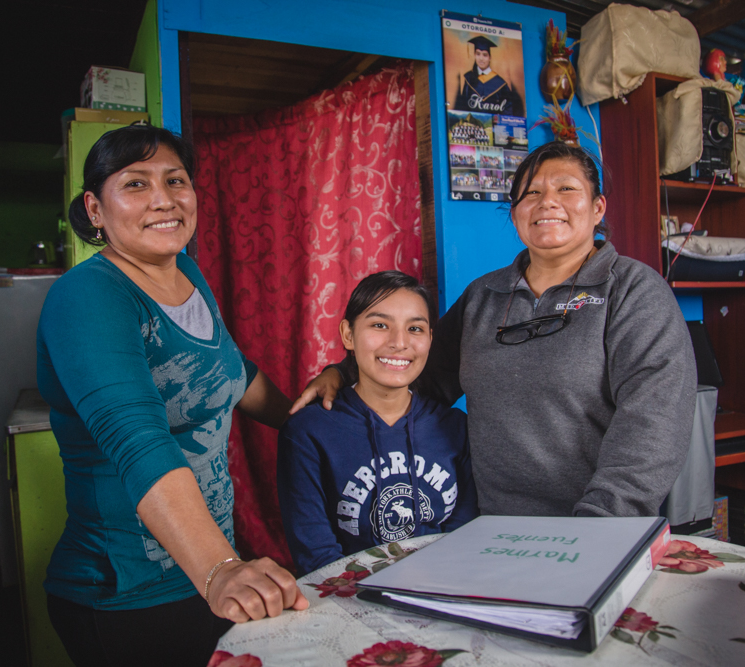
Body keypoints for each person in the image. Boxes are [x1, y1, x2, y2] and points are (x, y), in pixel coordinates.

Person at [292, 141, 697, 520]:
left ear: (597, 208)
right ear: (515, 210)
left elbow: (653, 427)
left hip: (598, 528)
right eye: (531, 193)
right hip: (489, 529)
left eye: (566, 188)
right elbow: (417, 370)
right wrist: (342, 373)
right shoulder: (484, 296)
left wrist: (597, 528)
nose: (548, 202)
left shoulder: (632, 291)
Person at [37, 125, 308, 667]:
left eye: (175, 180)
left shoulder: (184, 269)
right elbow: (136, 438)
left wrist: (312, 416)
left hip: (203, 569)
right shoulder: (89, 295)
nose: (163, 199)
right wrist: (221, 569)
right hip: (126, 590)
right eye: (135, 184)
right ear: (95, 208)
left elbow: (233, 372)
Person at [277, 272, 478, 575]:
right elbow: (317, 555)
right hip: (346, 602)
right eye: (380, 325)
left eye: (415, 328)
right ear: (348, 334)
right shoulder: (308, 432)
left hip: (440, 592)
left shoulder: (455, 428)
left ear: (431, 339)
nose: (399, 342)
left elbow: (463, 538)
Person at [453, 35, 524, 117]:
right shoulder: (469, 78)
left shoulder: (500, 84)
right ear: (474, 55)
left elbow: (508, 111)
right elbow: (462, 108)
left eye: (485, 55)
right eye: (478, 54)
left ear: (490, 57)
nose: (481, 58)